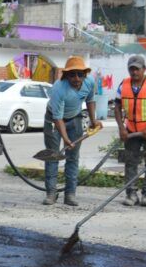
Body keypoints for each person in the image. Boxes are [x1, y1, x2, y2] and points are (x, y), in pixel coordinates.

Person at [42, 56, 102, 206]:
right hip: (54, 121)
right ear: (66, 75)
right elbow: (58, 118)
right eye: (72, 74)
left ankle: (70, 194)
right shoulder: (58, 88)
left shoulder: (89, 82)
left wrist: (93, 121)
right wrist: (66, 138)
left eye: (80, 74)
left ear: (85, 75)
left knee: (73, 157)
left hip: (75, 118)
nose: (76, 78)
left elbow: (90, 100)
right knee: (53, 155)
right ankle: (51, 192)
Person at [114, 55, 146, 207]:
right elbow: (117, 107)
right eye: (132, 69)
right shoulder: (123, 85)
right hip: (131, 129)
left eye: (137, 69)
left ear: (144, 69)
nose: (134, 72)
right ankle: (131, 193)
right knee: (131, 161)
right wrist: (121, 128)